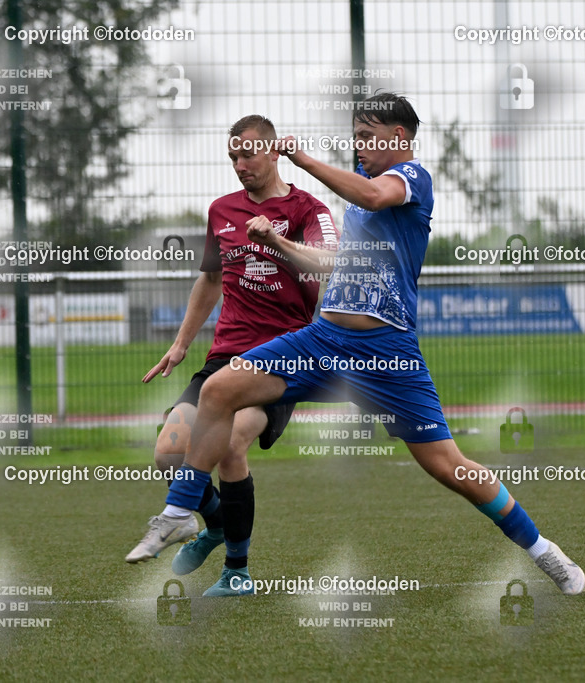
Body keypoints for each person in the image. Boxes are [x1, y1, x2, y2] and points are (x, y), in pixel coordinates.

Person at [126, 93, 585, 596]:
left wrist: (302, 159)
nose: (358, 145)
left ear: (401, 138)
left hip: (387, 354)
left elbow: (372, 196)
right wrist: (279, 245)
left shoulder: (412, 180)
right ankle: (178, 512)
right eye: (356, 135)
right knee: (217, 390)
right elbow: (330, 261)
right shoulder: (352, 205)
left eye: (367, 136)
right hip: (322, 340)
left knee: (449, 467)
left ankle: (543, 550)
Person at [127, 115, 339, 597]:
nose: (240, 165)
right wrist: (181, 344)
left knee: (229, 445)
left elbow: (328, 261)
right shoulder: (222, 210)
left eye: (247, 155)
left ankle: (236, 572)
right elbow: (210, 279)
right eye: (232, 158)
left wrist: (274, 241)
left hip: (283, 358)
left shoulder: (307, 208)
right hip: (225, 356)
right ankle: (217, 526)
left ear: (272, 151)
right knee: (167, 454)